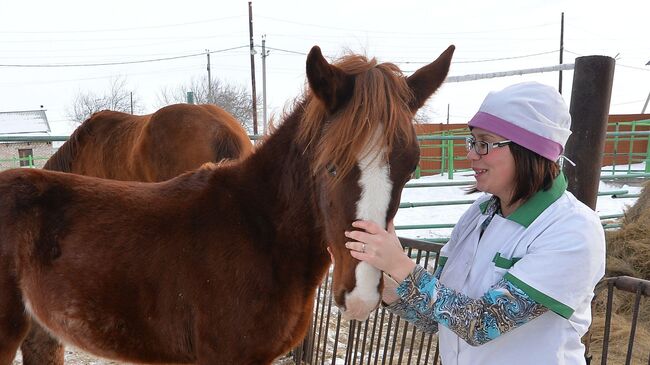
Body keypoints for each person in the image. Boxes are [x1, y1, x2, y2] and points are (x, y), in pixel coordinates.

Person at [344, 82, 606, 365]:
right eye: (472, 142)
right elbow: (440, 318)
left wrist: (400, 265)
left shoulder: (572, 229)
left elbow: (482, 323)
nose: (471, 154)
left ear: (529, 149)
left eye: (485, 143)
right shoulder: (478, 215)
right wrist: (384, 287)